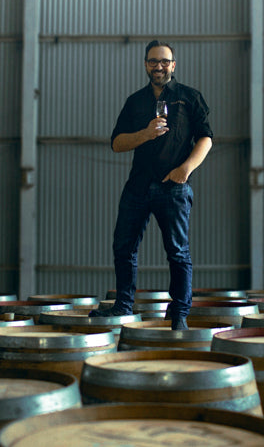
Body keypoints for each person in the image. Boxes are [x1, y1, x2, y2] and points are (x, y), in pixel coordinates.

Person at [89, 40, 213, 330]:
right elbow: (117, 143)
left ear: (173, 64)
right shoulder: (135, 101)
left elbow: (206, 138)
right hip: (138, 187)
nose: (159, 66)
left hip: (173, 187)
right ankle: (123, 307)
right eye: (153, 61)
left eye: (164, 61)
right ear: (146, 64)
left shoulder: (189, 97)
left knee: (178, 252)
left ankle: (179, 314)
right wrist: (145, 134)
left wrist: (186, 169)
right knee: (124, 248)